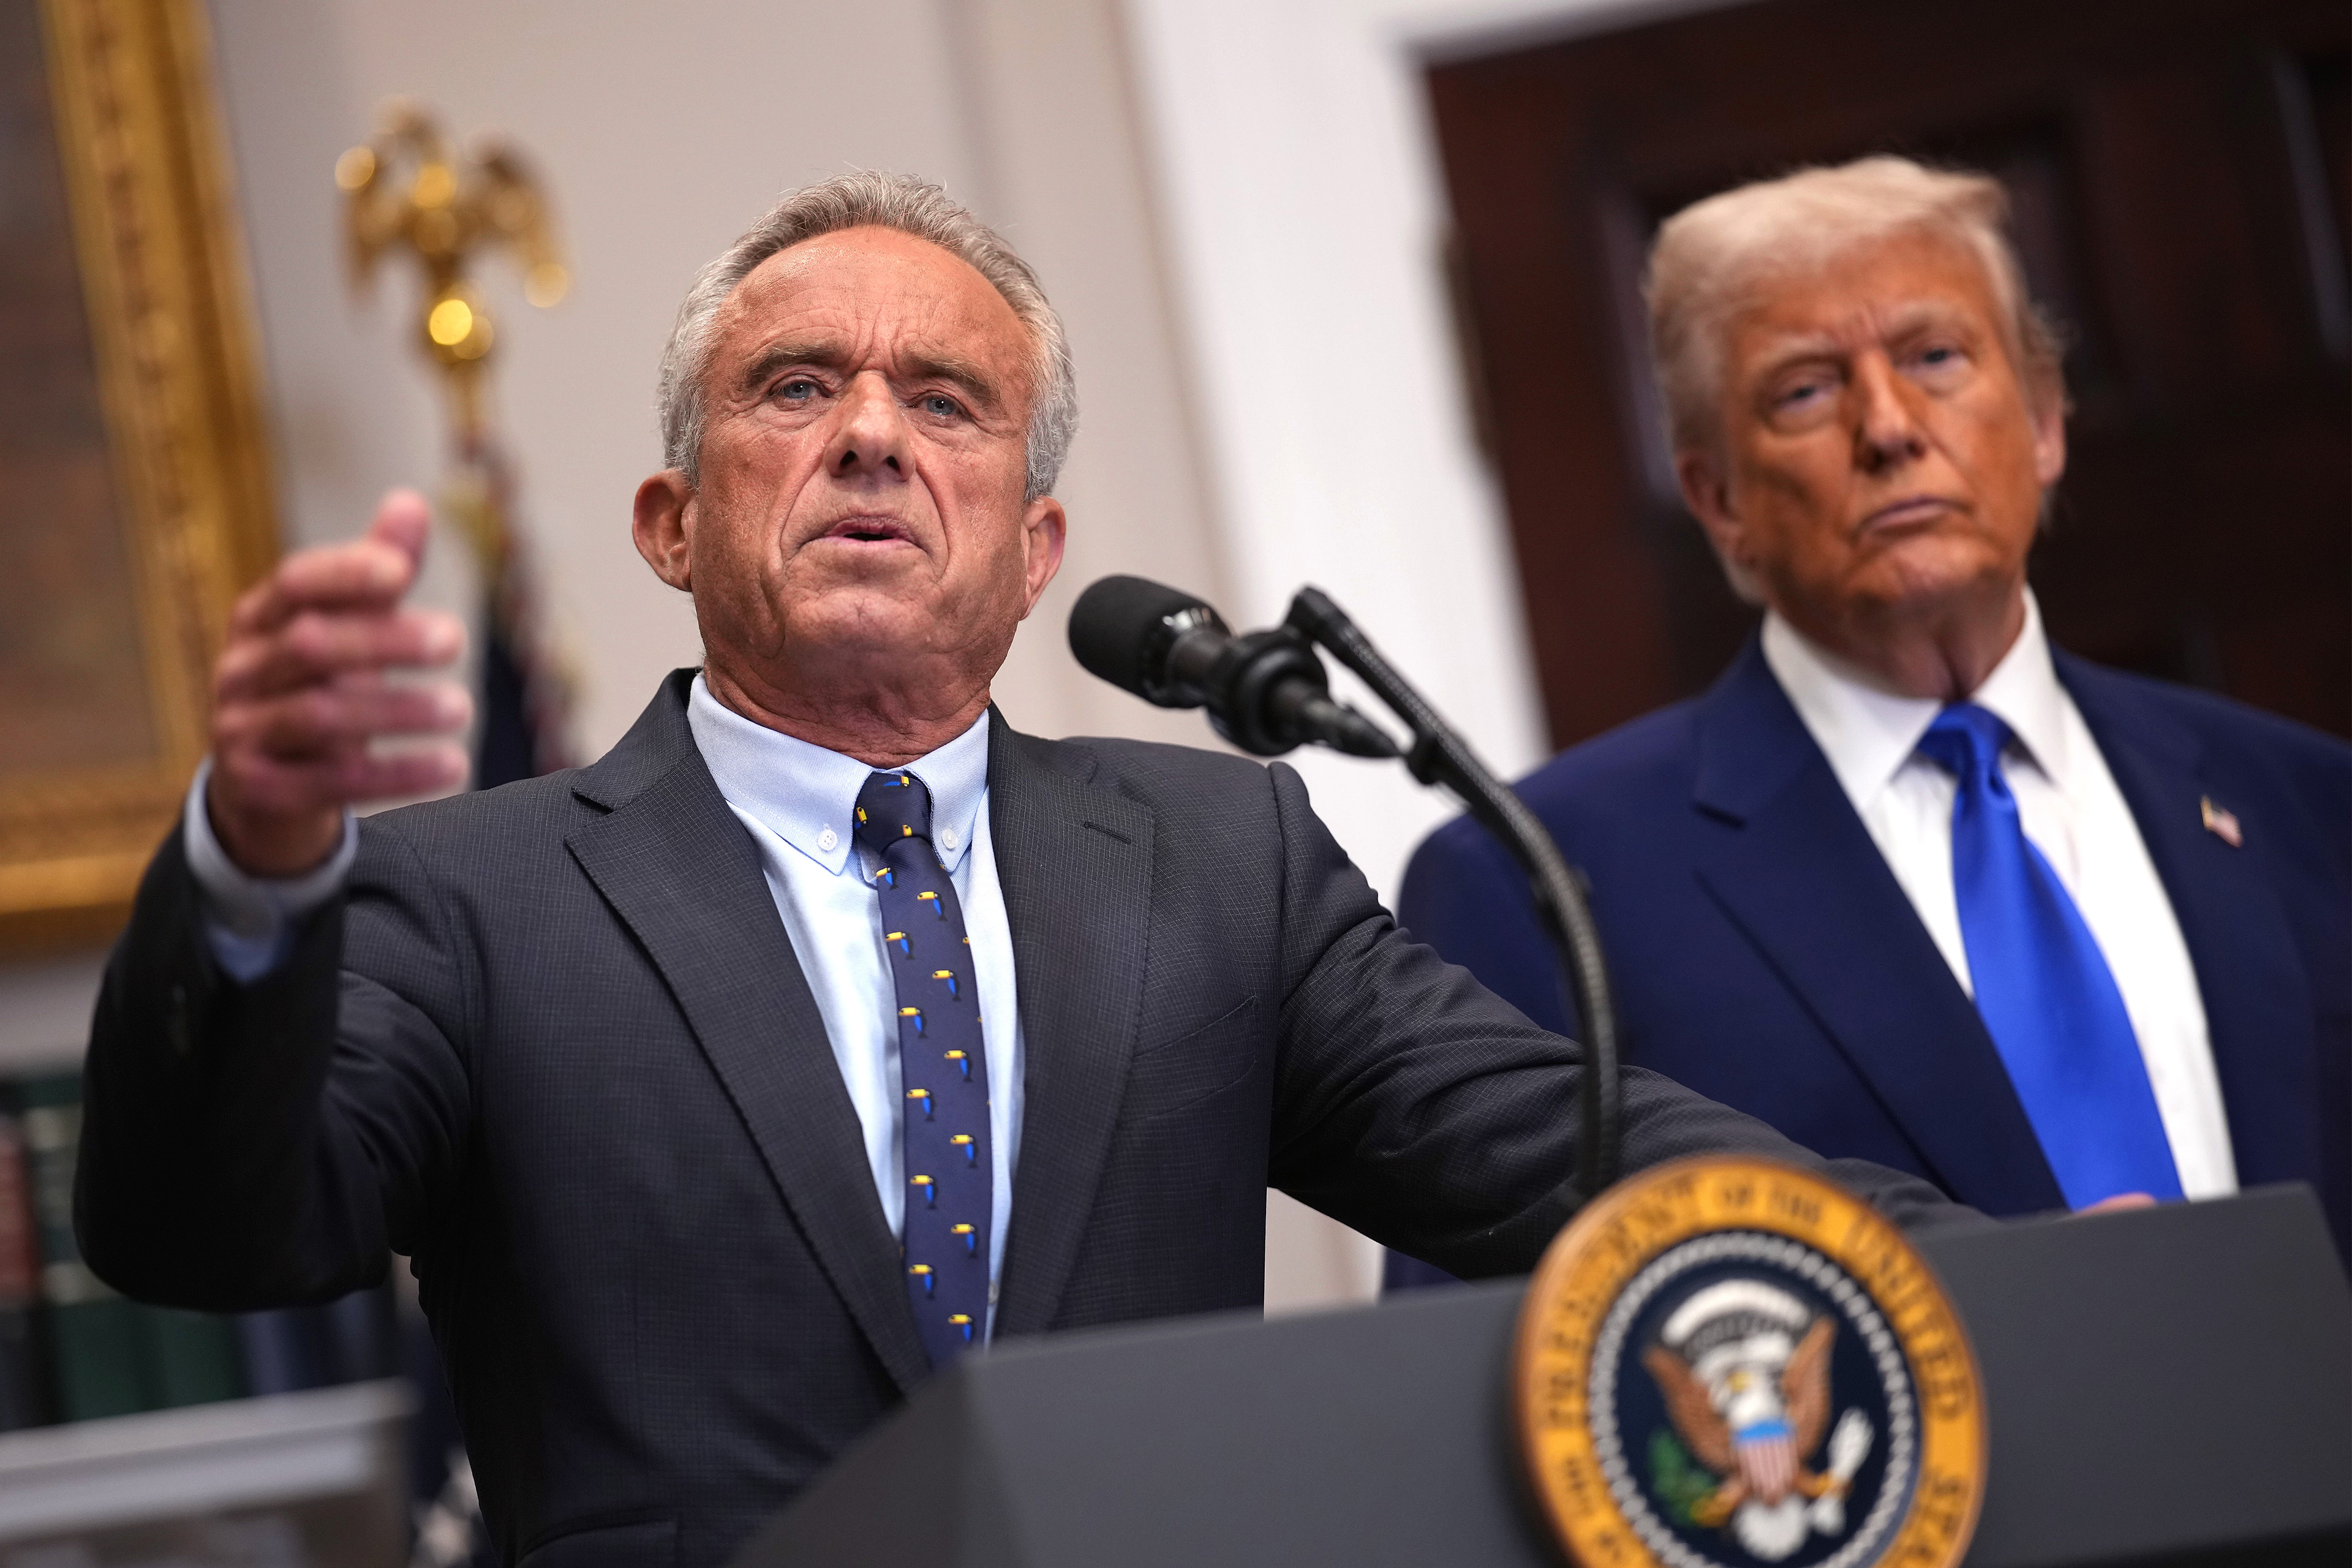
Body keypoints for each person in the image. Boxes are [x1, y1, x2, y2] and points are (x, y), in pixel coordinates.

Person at [78, 173, 1965, 1566]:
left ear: (1037, 540)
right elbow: (206, 1241)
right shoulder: (468, 895)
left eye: (947, 402)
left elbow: (1570, 1151)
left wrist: (1980, 1270)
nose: (875, 436)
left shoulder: (1220, 860)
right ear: (671, 522)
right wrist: (252, 872)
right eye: (797, 390)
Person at [1393, 157, 2349, 1294]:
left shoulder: (2305, 801)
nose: (1889, 428)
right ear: (1720, 501)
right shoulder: (1541, 885)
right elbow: (1486, 1357)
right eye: (1804, 391)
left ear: (2044, 424)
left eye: (1936, 357)